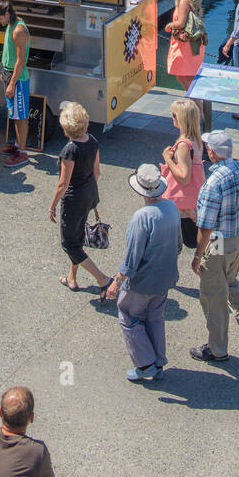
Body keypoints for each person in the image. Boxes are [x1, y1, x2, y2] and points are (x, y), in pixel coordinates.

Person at [190, 132, 239, 363]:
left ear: (212, 152)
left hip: (221, 241)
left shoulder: (212, 184)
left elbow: (205, 227)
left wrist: (197, 255)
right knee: (230, 281)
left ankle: (217, 349)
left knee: (214, 295)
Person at [105, 164, 182, 382]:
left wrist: (117, 282)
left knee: (128, 315)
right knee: (155, 317)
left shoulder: (141, 217)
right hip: (165, 277)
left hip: (142, 281)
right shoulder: (171, 208)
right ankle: (157, 363)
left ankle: (145, 364)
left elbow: (132, 258)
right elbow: (178, 245)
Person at [49, 103, 110, 292]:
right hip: (90, 193)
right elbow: (97, 172)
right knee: (77, 236)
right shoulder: (92, 140)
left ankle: (102, 279)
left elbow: (63, 184)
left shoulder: (70, 149)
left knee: (70, 244)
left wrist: (52, 207)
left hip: (74, 199)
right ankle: (72, 278)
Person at [160, 98, 207, 249]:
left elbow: (184, 177)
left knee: (177, 241)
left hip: (181, 201)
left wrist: (168, 159)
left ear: (181, 118)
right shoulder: (196, 139)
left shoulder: (183, 145)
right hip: (194, 196)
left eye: (173, 114)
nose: (171, 117)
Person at [0, 0, 31, 166]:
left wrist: (12, 83)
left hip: (18, 79)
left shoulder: (18, 31)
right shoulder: (11, 23)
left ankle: (22, 153)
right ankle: (16, 145)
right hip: (8, 73)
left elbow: (21, 61)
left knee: (21, 117)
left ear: (7, 14)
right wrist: (4, 72)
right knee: (14, 114)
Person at [165, 0, 206, 92]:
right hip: (193, 42)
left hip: (185, 45)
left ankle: (198, 107)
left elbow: (181, 23)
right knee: (187, 77)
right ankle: (198, 106)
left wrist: (169, 25)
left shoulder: (184, 2)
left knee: (184, 77)